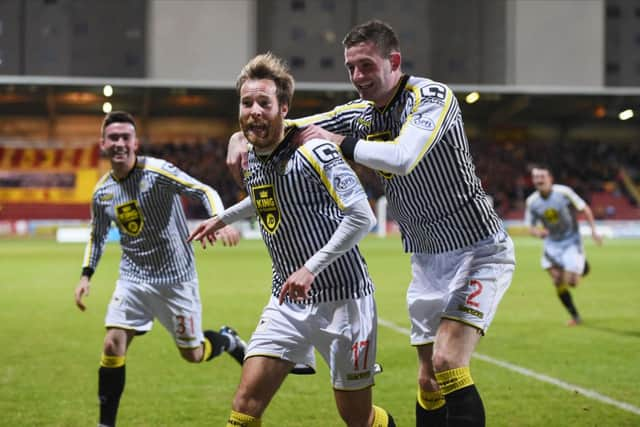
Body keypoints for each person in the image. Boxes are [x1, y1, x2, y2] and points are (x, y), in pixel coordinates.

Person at [227, 20, 515, 427]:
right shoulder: (361, 113)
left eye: (366, 65)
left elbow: (402, 156)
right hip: (427, 259)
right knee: (429, 380)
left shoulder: (432, 97)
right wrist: (237, 138)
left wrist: (338, 142)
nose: (358, 77)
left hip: (479, 248)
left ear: (393, 61)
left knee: (448, 362)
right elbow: (285, 124)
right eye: (351, 68)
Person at [189, 53, 394, 427]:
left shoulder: (315, 151)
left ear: (284, 108)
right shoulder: (253, 159)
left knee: (358, 418)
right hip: (287, 298)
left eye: (264, 103)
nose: (253, 111)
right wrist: (222, 218)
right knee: (245, 405)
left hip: (344, 300)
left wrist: (310, 267)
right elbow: (266, 197)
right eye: (247, 102)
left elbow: (362, 216)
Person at [74, 111, 247, 427]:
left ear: (135, 143)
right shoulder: (102, 193)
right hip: (133, 279)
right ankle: (105, 424)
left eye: (126, 137)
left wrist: (219, 220)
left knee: (193, 355)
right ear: (103, 144)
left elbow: (203, 189)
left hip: (175, 280)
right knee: (113, 343)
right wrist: (86, 275)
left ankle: (228, 341)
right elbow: (96, 236)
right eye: (113, 138)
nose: (120, 143)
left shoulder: (158, 172)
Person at [525, 164, 602, 326]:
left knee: (573, 282)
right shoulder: (532, 201)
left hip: (571, 240)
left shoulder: (564, 193)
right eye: (536, 177)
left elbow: (584, 208)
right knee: (558, 280)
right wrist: (538, 233)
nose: (539, 180)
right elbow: (530, 227)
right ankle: (575, 316)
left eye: (542, 176)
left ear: (550, 179)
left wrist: (594, 231)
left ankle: (583, 266)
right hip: (551, 243)